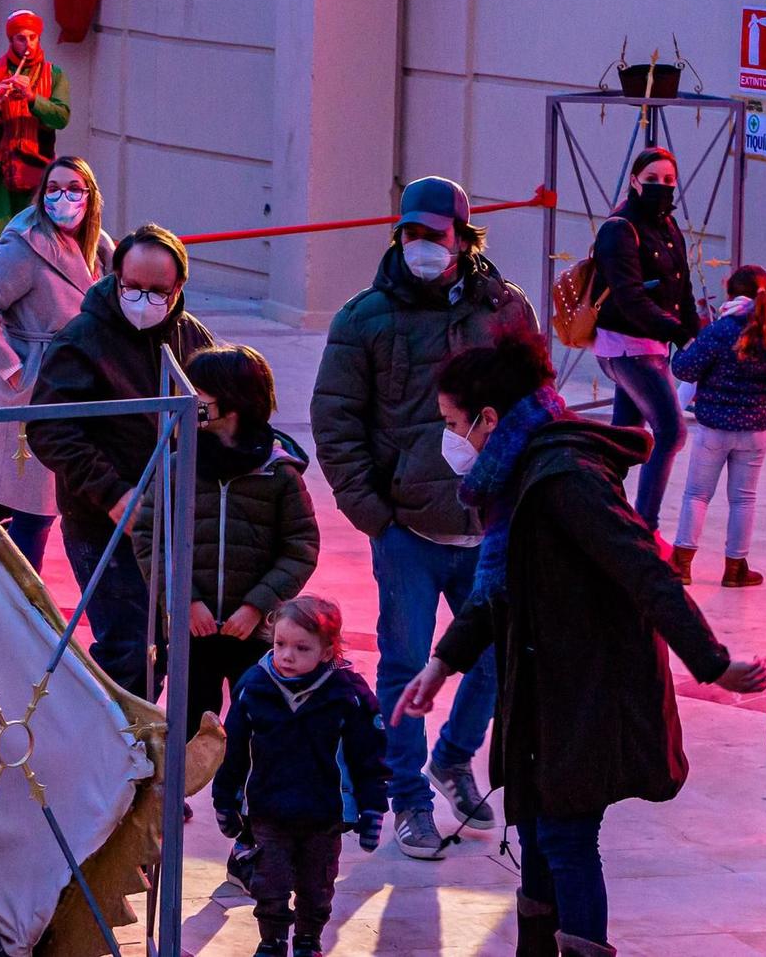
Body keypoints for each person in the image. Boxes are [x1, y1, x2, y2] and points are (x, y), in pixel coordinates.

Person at [392, 333, 766, 957]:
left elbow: (645, 569)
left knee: (565, 838)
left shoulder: (564, 477)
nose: (451, 439)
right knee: (539, 834)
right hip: (547, 689)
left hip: (585, 692)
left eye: (453, 424)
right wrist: (443, 662)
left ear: (489, 419)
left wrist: (712, 664)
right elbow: (502, 588)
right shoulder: (519, 474)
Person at [309, 175, 535, 859]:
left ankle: (455, 757)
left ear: (464, 240)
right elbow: (335, 419)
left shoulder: (507, 311)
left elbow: (534, 403)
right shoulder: (362, 318)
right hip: (407, 529)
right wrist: (372, 512)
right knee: (405, 662)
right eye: (410, 233)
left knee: (497, 654)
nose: (421, 246)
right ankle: (406, 797)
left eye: (435, 235)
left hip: (489, 527)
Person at [28, 224, 214, 698]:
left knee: (173, 647)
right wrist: (112, 494)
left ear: (177, 290)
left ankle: (157, 756)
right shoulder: (82, 338)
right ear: (115, 277)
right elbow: (51, 429)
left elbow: (217, 410)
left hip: (173, 520)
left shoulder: (191, 337)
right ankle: (117, 752)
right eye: (133, 287)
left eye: (158, 292)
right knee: (127, 646)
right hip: (104, 522)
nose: (143, 300)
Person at [133, 344, 319, 744]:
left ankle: (240, 799)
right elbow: (150, 538)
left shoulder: (279, 473)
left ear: (234, 401)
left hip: (252, 631)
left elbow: (300, 546)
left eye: (199, 394)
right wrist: (184, 600)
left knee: (257, 722)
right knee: (185, 722)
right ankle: (172, 797)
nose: (189, 403)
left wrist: (257, 606)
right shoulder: (178, 464)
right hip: (191, 628)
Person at [0, 156, 113, 571]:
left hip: (74, 384)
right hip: (28, 388)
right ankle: (17, 604)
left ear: (91, 195)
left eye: (75, 188)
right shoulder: (27, 245)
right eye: (54, 188)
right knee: (29, 508)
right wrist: (9, 369)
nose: (64, 197)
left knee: (45, 506)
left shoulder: (101, 247)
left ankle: (13, 599)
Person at [214, 596, 388, 957]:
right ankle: (272, 940)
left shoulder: (348, 694)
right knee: (269, 883)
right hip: (268, 810)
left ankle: (309, 939)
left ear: (327, 651)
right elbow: (231, 751)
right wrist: (225, 800)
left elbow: (368, 757)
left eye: (301, 647)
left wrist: (373, 808)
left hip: (324, 815)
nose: (287, 655)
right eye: (280, 644)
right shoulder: (254, 687)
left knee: (317, 885)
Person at [592, 147, 700, 542]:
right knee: (670, 431)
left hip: (650, 345)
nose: (661, 187)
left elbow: (683, 289)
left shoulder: (669, 228)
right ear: (634, 181)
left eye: (668, 181)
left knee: (624, 437)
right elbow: (628, 297)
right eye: (651, 179)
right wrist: (677, 331)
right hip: (625, 345)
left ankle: (603, 512)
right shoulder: (619, 228)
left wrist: (696, 336)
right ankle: (643, 530)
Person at [670, 265, 766, 588]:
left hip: (715, 428)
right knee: (744, 499)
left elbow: (685, 369)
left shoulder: (721, 330)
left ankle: (682, 564)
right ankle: (736, 568)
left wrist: (684, 346)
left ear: (730, 293)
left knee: (697, 495)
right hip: (755, 431)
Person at [0, 10, 71, 261]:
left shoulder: (54, 74)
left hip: (39, 168)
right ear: (11, 40)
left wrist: (33, 98)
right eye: (21, 38)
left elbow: (62, 117)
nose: (28, 45)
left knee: (38, 240)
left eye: (33, 38)